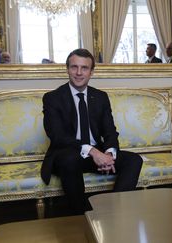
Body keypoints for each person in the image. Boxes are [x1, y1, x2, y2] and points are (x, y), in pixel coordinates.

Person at [41, 48, 143, 214]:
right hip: (68, 155)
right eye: (74, 67)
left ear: (91, 72)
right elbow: (58, 136)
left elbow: (110, 130)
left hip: (96, 155)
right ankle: (83, 214)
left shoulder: (100, 97)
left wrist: (109, 154)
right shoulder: (53, 98)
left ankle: (114, 210)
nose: (79, 73)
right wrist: (94, 152)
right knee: (69, 159)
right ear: (67, 69)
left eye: (84, 68)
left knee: (134, 160)